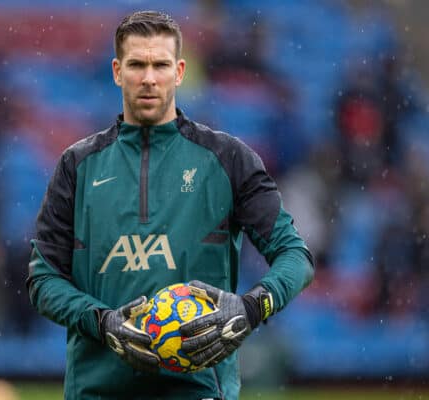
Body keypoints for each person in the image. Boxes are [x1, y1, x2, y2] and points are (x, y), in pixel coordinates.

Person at [26, 10, 314, 400]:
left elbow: (295, 256)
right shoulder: (76, 166)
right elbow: (43, 280)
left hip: (197, 392)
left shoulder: (229, 159)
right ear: (116, 71)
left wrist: (250, 308)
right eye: (136, 65)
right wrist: (102, 322)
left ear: (179, 72)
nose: (148, 78)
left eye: (160, 65)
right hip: (97, 391)